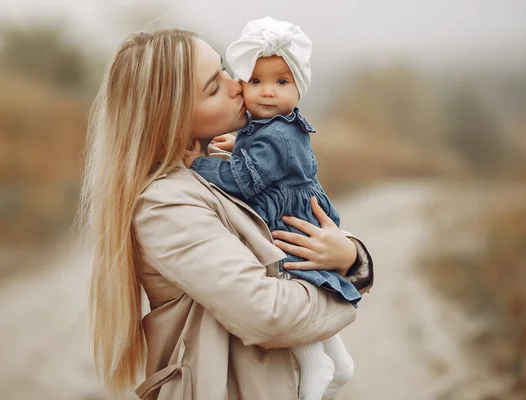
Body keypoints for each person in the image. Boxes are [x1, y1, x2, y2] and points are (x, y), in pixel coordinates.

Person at [80, 28, 373, 400]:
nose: (237, 84)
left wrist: (351, 256)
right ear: (170, 117)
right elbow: (269, 313)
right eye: (213, 87)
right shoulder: (165, 206)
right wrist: (350, 278)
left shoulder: (219, 168)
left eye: (222, 69)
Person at [185, 17, 357, 400]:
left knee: (292, 279)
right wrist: (238, 148)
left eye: (281, 83)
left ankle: (318, 363)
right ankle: (337, 361)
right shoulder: (275, 126)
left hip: (287, 223)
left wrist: (199, 164)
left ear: (299, 87)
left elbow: (245, 180)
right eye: (256, 81)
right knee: (308, 283)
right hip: (295, 212)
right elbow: (256, 159)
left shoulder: (277, 133)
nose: (266, 93)